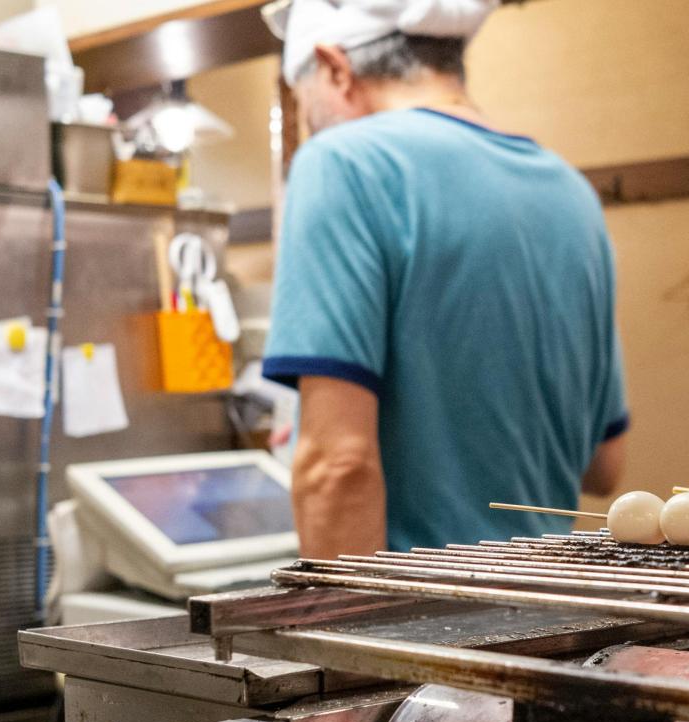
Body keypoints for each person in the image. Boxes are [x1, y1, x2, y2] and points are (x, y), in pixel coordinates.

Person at [261, 0, 629, 558]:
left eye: (303, 100)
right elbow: (604, 466)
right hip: (556, 614)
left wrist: (346, 639)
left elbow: (338, 467)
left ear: (335, 68)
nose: (308, 121)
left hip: (429, 625)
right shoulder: (569, 190)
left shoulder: (343, 163)